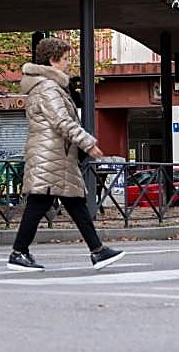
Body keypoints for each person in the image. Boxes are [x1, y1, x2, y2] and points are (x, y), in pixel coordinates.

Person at [8, 37, 124, 272]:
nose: (68, 64)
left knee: (74, 202)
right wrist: (88, 143)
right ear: (52, 60)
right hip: (51, 154)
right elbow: (61, 121)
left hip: (55, 153)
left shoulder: (45, 86)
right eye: (65, 59)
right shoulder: (48, 87)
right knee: (40, 204)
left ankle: (98, 251)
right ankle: (18, 253)